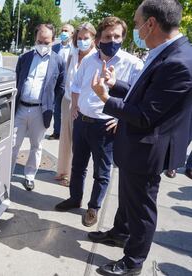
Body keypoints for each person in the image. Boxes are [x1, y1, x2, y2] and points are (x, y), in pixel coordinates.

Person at [89, 1, 192, 274]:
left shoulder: (179, 61)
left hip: (148, 149)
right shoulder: (165, 51)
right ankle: (119, 232)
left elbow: (146, 115)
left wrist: (105, 98)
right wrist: (116, 85)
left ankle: (133, 262)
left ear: (151, 24)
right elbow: (144, 92)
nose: (135, 28)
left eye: (136, 23)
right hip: (136, 145)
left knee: (141, 208)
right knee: (128, 198)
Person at [55, 17, 143, 229]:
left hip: (106, 127)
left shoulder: (132, 64)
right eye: (107, 36)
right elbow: (76, 86)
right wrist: (75, 106)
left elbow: (137, 98)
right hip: (82, 122)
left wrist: (121, 120)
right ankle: (75, 198)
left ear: (122, 38)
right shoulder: (88, 61)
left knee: (102, 172)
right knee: (78, 166)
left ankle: (93, 207)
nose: (112, 40)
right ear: (99, 39)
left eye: (117, 36)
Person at [12, 24, 65, 191]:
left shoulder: (58, 60)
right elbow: (17, 80)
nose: (43, 44)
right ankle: (7, 174)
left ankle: (29, 176)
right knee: (13, 144)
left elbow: (61, 87)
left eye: (46, 42)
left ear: (53, 40)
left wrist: (50, 103)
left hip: (41, 111)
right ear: (35, 39)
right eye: (39, 41)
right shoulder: (25, 58)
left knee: (36, 145)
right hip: (20, 108)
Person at [54, 22, 97, 187]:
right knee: (65, 137)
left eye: (86, 38)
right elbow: (67, 78)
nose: (82, 41)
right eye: (79, 38)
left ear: (93, 38)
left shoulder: (95, 57)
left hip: (82, 105)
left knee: (78, 142)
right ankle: (62, 171)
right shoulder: (73, 54)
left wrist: (79, 104)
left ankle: (73, 176)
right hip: (67, 100)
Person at [48, 24, 75, 140]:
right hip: (57, 84)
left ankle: (70, 134)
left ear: (72, 34)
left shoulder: (75, 49)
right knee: (57, 110)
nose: (63, 32)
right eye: (62, 30)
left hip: (71, 84)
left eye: (66, 31)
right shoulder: (54, 48)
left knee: (70, 110)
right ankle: (57, 132)